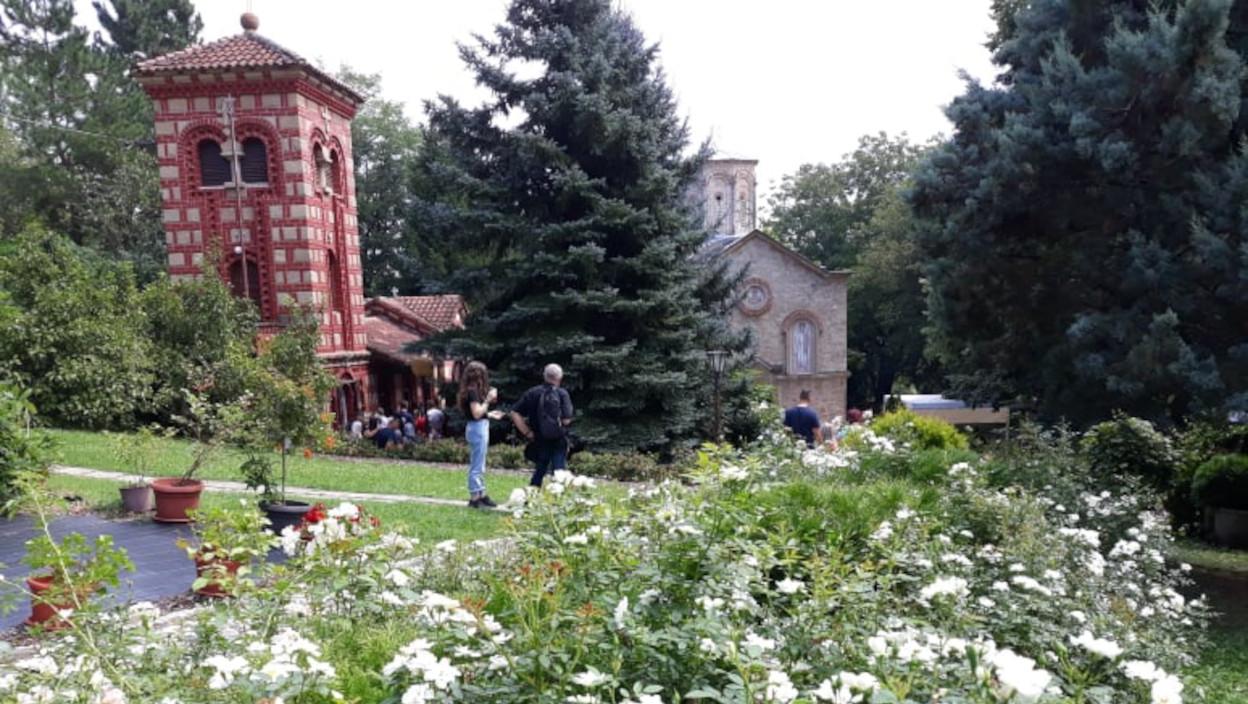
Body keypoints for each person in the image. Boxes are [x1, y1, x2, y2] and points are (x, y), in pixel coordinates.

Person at [510, 363, 574, 487]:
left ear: (544, 376)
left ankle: (533, 492)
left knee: (540, 469)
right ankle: (559, 494)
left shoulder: (533, 393)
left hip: (539, 437)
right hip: (558, 438)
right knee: (559, 471)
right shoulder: (562, 393)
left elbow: (514, 413)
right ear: (560, 377)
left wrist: (527, 432)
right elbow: (566, 420)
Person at [458, 361, 503, 508]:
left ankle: (481, 494)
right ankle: (475, 497)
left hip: (476, 427)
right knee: (477, 465)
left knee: (479, 463)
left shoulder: (470, 390)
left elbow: (475, 414)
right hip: (477, 429)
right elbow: (477, 413)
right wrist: (488, 400)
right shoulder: (473, 392)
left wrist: (489, 414)